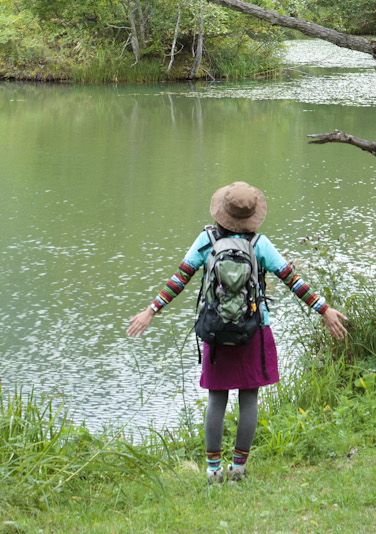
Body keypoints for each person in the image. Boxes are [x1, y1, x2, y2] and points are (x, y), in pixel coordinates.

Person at [128, 180, 347, 482]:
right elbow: (291, 280)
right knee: (249, 399)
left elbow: (179, 278)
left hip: (216, 332)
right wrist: (324, 309)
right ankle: (239, 468)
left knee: (216, 400)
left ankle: (213, 470)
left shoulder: (205, 240)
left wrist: (151, 310)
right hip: (253, 330)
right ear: (252, 216)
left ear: (221, 212)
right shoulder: (260, 245)